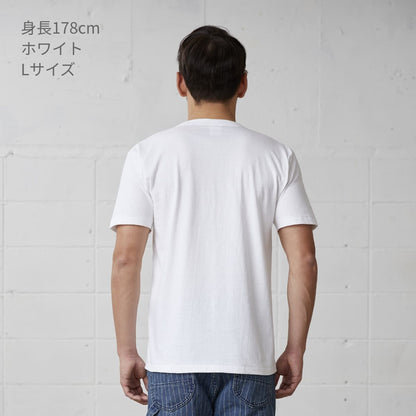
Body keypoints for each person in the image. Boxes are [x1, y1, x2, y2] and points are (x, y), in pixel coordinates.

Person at [109, 24, 318, 416]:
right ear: (243, 84)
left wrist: (126, 351)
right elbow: (304, 260)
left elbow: (125, 260)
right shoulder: (277, 157)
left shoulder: (147, 156)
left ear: (180, 83)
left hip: (174, 361)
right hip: (249, 360)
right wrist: (295, 348)